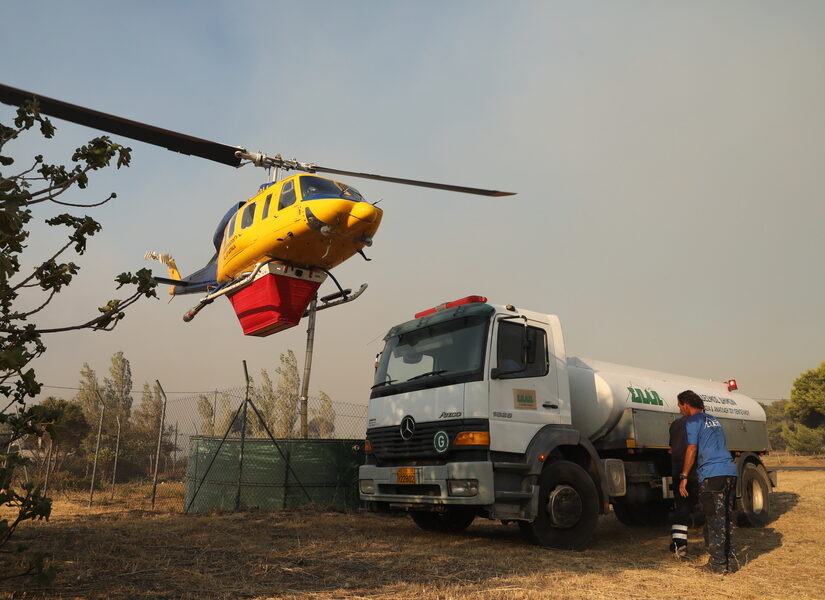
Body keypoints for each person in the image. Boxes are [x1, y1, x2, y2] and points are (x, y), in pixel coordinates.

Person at [677, 390, 739, 574]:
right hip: (729, 472)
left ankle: (718, 565)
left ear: (686, 404)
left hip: (712, 475)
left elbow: (692, 448)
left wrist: (684, 476)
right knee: (725, 518)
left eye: (680, 406)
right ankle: (728, 560)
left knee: (714, 520)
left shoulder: (693, 421)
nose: (680, 410)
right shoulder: (714, 419)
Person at [668, 412, 698, 557]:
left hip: (678, 471)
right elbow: (694, 448)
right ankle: (714, 545)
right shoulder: (699, 423)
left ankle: (679, 545)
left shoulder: (674, 425)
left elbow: (671, 449)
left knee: (681, 507)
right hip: (695, 470)